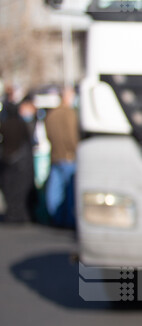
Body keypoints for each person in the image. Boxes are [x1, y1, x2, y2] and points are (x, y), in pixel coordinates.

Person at [44, 86, 79, 229]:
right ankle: (68, 219)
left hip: (55, 154)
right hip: (68, 156)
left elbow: (49, 135)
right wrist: (75, 149)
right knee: (70, 190)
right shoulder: (69, 113)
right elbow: (72, 136)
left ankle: (55, 217)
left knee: (55, 189)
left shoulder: (51, 114)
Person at [1, 96, 37, 224]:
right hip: (20, 162)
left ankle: (13, 214)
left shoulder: (4, 125)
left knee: (10, 189)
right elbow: (29, 141)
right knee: (19, 190)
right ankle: (19, 214)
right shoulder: (22, 125)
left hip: (7, 161)